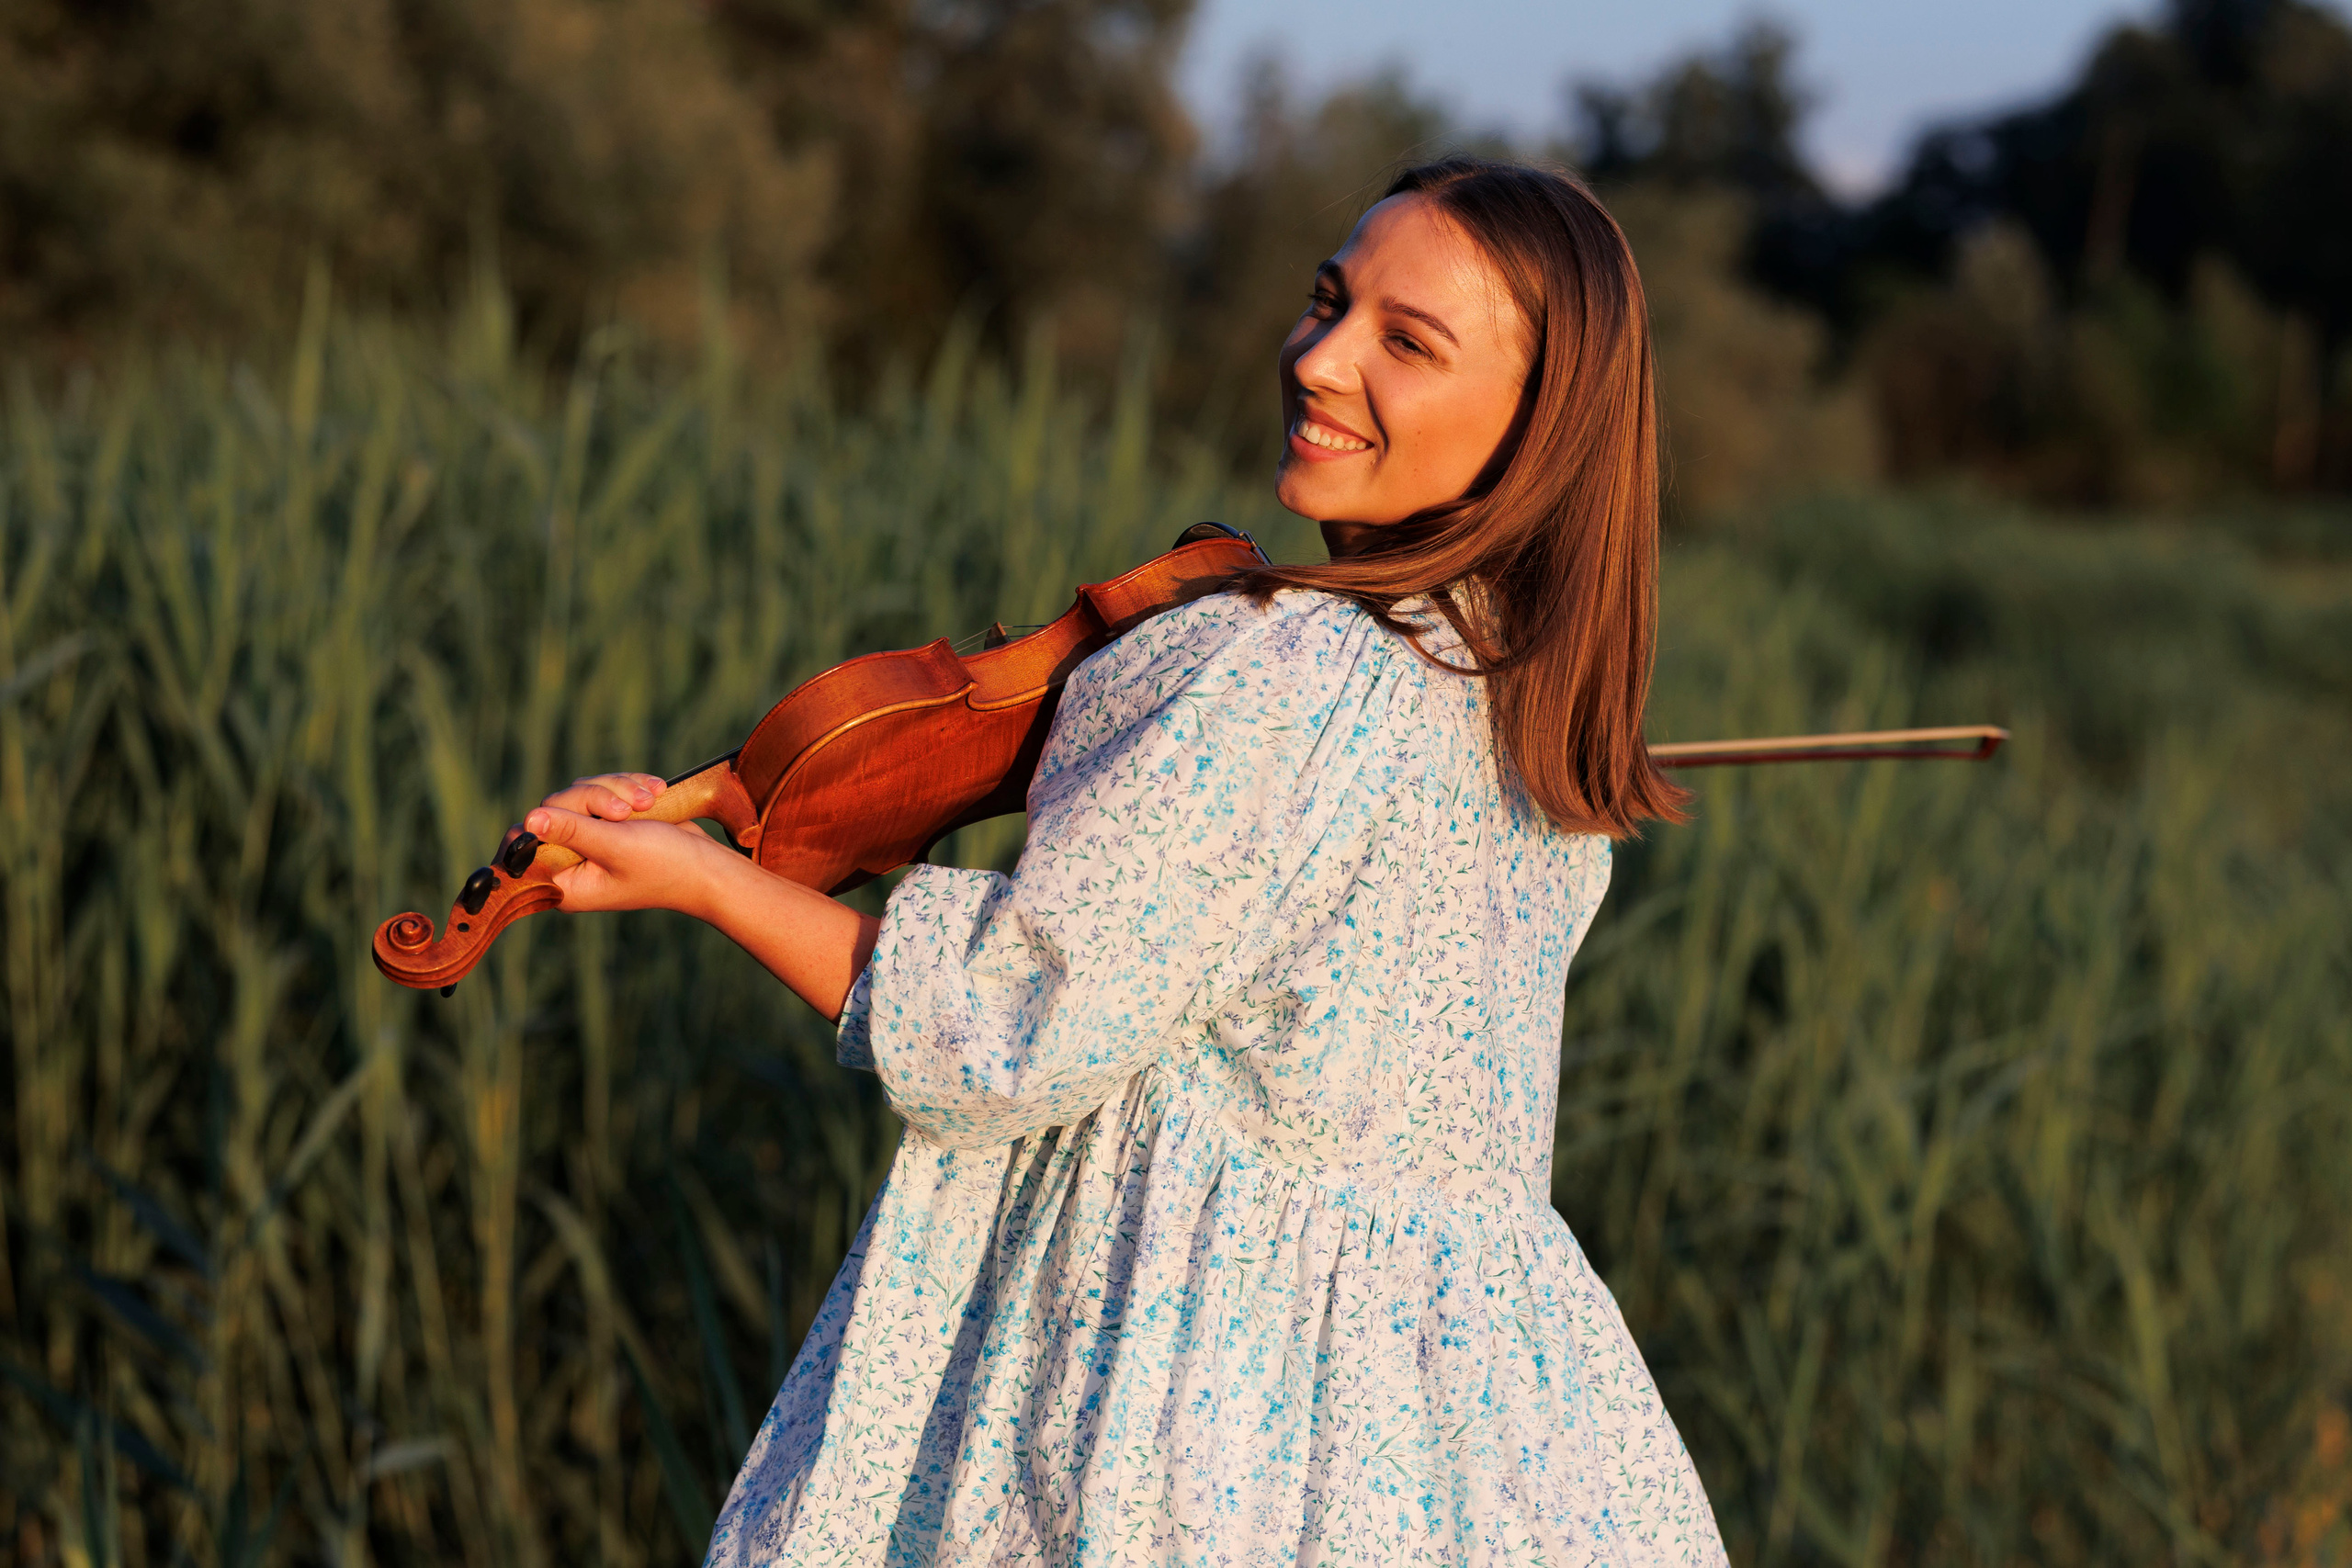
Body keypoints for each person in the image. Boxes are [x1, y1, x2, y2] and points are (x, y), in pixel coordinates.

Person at [517, 156, 1728, 1566]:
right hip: (1477, 1438)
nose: (1322, 360)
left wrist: (709, 879)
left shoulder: (1285, 667)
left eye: (1407, 342)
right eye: (1329, 303)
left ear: (1541, 427)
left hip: (1200, 1407)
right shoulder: (1539, 723)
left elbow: (1004, 1028)